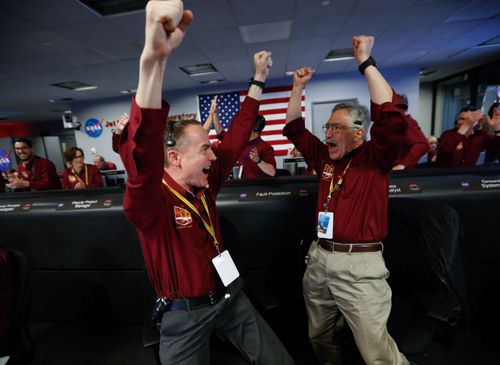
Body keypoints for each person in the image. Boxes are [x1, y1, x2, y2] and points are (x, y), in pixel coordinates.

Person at [116, 1, 294, 364]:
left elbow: (238, 136)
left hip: (230, 296)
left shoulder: (204, 183)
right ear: (175, 158)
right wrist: (153, 65)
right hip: (186, 315)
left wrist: (258, 78)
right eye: (204, 151)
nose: (215, 159)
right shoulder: (151, 202)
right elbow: (143, 157)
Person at [283, 35, 410, 365]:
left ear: (359, 131)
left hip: (359, 267)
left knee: (377, 353)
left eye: (336, 128)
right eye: (327, 126)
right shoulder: (325, 158)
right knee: (319, 337)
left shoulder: (376, 157)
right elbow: (294, 128)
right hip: (321, 257)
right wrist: (298, 87)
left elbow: (392, 116)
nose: (328, 133)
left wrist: (365, 61)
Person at [392, 95, 429, 170]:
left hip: (398, 174)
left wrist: (404, 164)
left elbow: (421, 145)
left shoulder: (406, 123)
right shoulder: (391, 124)